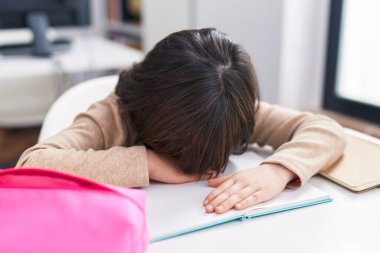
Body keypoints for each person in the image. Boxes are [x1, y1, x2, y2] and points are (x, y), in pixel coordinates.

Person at [16, 28, 346, 214]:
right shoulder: (115, 114)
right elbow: (31, 165)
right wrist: (148, 163)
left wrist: (277, 171)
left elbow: (325, 130)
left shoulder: (230, 109)